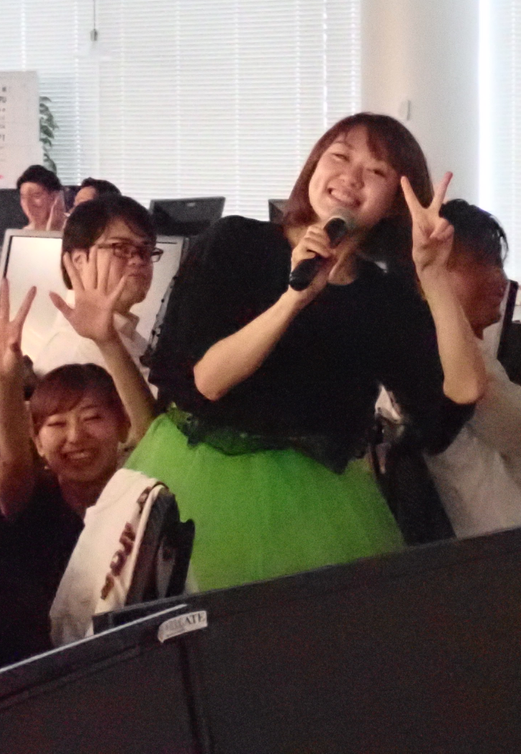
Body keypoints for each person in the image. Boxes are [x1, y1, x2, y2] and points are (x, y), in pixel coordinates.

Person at [132, 112, 487, 592]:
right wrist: (294, 300)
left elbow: (463, 391)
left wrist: (434, 275)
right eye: (339, 156)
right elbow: (209, 381)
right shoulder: (236, 243)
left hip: (318, 503)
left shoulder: (381, 296)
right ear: (314, 165)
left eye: (376, 171)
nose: (351, 177)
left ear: (394, 206)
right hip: (198, 480)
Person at [0, 282, 152, 601]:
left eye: (92, 418)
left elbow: (152, 434)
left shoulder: (139, 496)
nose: (76, 436)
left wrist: (108, 341)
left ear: (123, 426)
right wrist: (6, 381)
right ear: (38, 442)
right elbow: (14, 460)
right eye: (56, 424)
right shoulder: (33, 498)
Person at [421, 200, 521, 537]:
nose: (499, 278)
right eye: (478, 264)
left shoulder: (414, 345)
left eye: (498, 263)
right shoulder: (460, 364)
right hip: (496, 556)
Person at [21, 196, 160, 412]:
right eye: (121, 248)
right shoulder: (85, 351)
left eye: (145, 251)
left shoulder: (122, 332)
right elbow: (158, 426)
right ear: (79, 261)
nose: (138, 260)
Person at [18, 164, 65, 232]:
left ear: (55, 197)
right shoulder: (25, 232)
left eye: (36, 195)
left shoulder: (73, 228)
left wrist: (55, 230)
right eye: (23, 197)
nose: (28, 204)